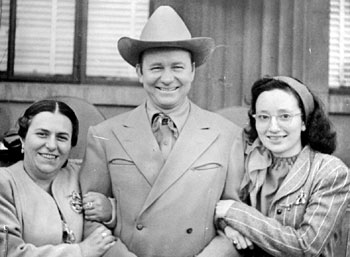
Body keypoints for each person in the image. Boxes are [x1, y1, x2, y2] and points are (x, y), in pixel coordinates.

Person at [79, 5, 246, 257]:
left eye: (177, 67)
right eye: (156, 68)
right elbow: (89, 217)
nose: (167, 79)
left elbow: (236, 220)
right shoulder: (105, 135)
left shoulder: (227, 135)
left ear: (192, 71)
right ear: (139, 72)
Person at [216, 76, 350, 256]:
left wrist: (235, 214)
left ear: (304, 121)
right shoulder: (249, 161)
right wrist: (228, 228)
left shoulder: (330, 171)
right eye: (263, 117)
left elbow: (306, 247)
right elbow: (217, 209)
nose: (273, 127)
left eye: (284, 116)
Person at [0, 99, 115, 257]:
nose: (52, 145)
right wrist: (80, 252)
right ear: (23, 139)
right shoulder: (5, 183)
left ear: (71, 145)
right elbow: (8, 252)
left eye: (61, 137)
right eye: (42, 134)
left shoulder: (82, 174)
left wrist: (111, 210)